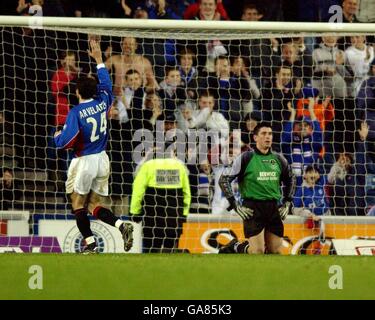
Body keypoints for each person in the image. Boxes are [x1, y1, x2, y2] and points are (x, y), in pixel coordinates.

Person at [54, 40, 134, 254]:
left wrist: (56, 135)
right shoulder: (103, 101)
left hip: (85, 160)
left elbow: (64, 143)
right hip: (102, 159)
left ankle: (90, 245)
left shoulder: (76, 113)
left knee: (77, 203)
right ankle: (120, 225)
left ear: (78, 92)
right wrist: (98, 59)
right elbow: (107, 85)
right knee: (93, 204)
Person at [218, 122, 296, 254]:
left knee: (275, 252)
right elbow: (223, 179)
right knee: (257, 251)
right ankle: (236, 246)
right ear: (255, 138)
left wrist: (288, 202)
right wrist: (235, 204)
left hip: (273, 207)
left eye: (270, 134)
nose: (268, 137)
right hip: (253, 208)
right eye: (264, 134)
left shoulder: (279, 159)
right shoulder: (245, 158)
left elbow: (291, 179)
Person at [129, 143, 191, 253]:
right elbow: (187, 193)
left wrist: (135, 212)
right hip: (174, 213)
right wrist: (184, 213)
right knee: (171, 247)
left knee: (152, 246)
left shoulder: (148, 165)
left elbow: (138, 190)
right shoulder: (179, 166)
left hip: (153, 211)